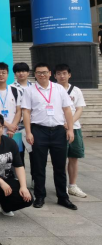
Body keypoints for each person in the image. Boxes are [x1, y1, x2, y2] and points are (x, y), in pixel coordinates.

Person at [22, 63, 77, 210]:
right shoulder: (29, 90)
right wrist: (28, 132)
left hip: (58, 131)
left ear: (50, 73)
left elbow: (67, 109)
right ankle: (40, 196)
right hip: (39, 131)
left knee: (60, 166)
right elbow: (26, 112)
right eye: (39, 73)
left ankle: (63, 197)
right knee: (39, 166)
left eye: (44, 72)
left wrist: (70, 129)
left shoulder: (58, 89)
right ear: (35, 74)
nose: (42, 75)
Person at [55, 64, 88, 199]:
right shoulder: (52, 89)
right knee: (59, 158)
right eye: (59, 73)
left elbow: (79, 109)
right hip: (58, 128)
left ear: (69, 75)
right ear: (54, 75)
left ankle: (73, 185)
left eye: (64, 73)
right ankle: (62, 186)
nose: (62, 76)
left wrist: (70, 123)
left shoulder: (76, 90)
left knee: (74, 157)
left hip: (74, 128)